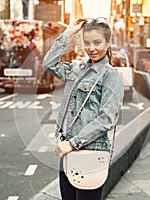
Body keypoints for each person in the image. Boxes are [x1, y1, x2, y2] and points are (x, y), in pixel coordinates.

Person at [42, 17, 124, 200]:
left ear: (108, 43)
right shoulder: (76, 69)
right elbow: (49, 63)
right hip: (67, 151)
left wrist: (73, 143)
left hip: (91, 150)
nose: (91, 48)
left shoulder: (111, 76)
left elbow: (107, 119)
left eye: (97, 42)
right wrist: (69, 33)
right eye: (87, 43)